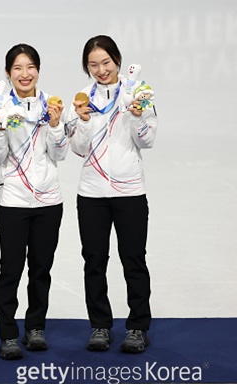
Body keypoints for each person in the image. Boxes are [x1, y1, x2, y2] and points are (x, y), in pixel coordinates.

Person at [66, 35, 158, 353]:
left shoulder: (138, 94)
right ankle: (100, 326)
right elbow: (78, 149)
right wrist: (83, 121)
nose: (101, 70)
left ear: (117, 60)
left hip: (130, 191)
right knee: (94, 261)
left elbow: (147, 141)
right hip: (92, 193)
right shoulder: (82, 100)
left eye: (106, 62)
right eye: (93, 64)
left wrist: (137, 116)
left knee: (133, 260)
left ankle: (137, 328)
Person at [0, 44, 67, 360]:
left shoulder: (52, 105)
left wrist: (56, 126)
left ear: (38, 71)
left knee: (41, 269)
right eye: (17, 68)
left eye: (30, 67)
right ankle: (8, 334)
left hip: (48, 201)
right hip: (13, 201)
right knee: (10, 270)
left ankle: (35, 328)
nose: (25, 74)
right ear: (8, 73)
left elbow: (60, 154)